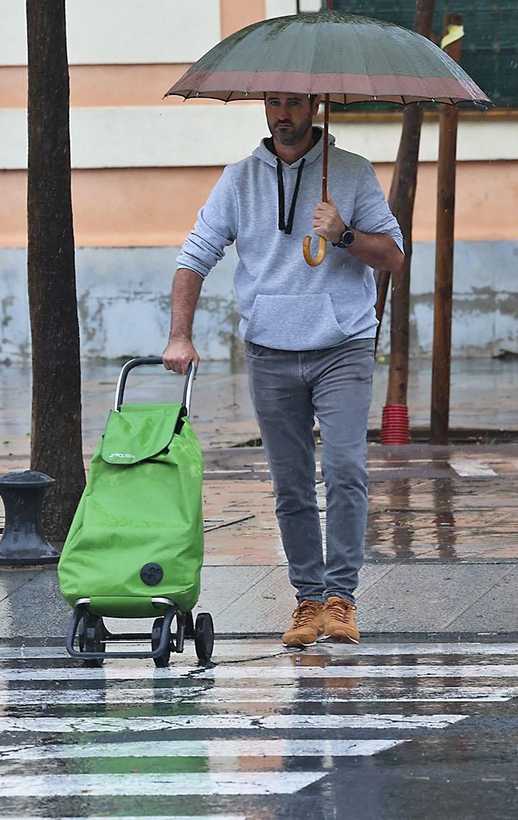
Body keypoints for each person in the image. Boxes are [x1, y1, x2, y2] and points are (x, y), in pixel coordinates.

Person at [163, 91, 404, 646]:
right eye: (274, 103)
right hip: (270, 350)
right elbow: (195, 254)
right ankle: (308, 600)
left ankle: (341, 598)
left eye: (294, 103)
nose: (282, 114)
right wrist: (180, 335)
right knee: (291, 486)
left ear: (315, 107)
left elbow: (393, 254)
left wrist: (343, 234)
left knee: (345, 471)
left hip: (342, 344)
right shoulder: (240, 179)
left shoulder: (352, 173)